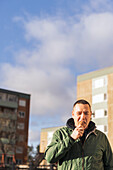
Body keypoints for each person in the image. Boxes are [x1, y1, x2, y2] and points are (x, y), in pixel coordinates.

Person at [45, 99, 113, 169]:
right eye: (79, 113)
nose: (83, 117)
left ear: (90, 115)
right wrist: (71, 138)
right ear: (73, 114)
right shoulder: (60, 134)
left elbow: (110, 165)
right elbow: (49, 158)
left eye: (86, 113)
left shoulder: (101, 137)